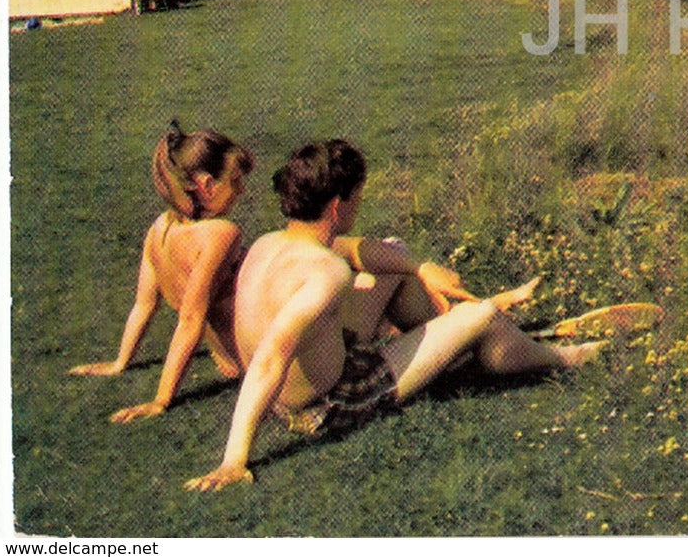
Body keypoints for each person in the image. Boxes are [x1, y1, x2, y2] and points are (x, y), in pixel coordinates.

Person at [185, 140, 602, 492]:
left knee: (394, 256)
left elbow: (355, 248)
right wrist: (234, 459)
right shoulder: (325, 272)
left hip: (290, 389)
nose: (359, 206)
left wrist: (419, 267)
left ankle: (460, 342)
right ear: (336, 206)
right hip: (328, 402)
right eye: (358, 197)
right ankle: (563, 356)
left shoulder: (269, 243)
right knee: (483, 315)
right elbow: (273, 355)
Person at [71, 122, 255, 423]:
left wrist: (121, 361)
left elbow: (145, 305)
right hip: (247, 355)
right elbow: (191, 318)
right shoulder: (221, 234)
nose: (241, 191)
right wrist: (161, 399)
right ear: (207, 185)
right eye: (234, 181)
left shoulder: (160, 228)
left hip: (227, 355)